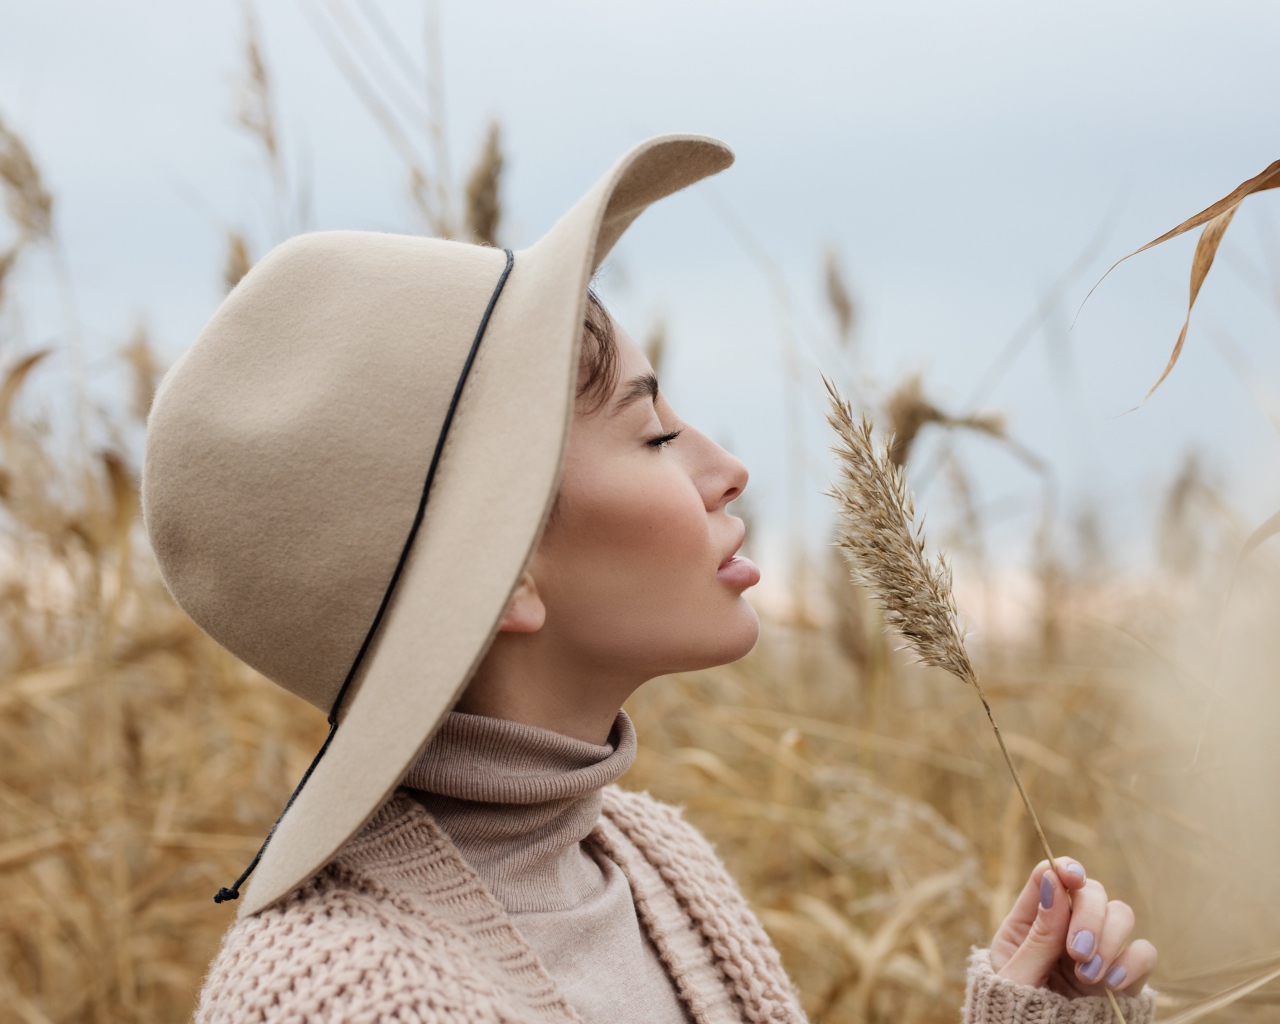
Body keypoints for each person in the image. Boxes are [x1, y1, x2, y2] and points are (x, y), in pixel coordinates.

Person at [142, 135, 1157, 1023]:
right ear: (504, 572)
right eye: (654, 432)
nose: (725, 467)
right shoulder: (345, 993)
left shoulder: (647, 859)